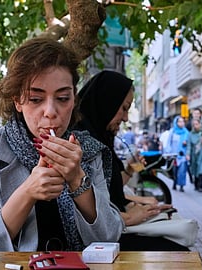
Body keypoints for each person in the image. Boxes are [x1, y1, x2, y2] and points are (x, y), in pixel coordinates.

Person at [0, 37, 123, 252]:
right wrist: (27, 192)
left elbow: (109, 237)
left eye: (63, 98)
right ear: (17, 101)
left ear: (74, 99)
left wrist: (76, 179)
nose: (50, 111)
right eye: (36, 99)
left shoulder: (87, 150)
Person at [73, 70, 189, 251]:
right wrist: (128, 215)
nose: (126, 117)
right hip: (100, 241)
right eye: (124, 108)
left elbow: (108, 189)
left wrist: (129, 172)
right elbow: (89, 209)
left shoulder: (101, 137)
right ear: (107, 102)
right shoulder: (81, 141)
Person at [163, 116, 189, 192]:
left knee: (182, 171)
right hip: (174, 155)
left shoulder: (186, 132)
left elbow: (189, 143)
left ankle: (181, 186)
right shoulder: (172, 131)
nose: (181, 123)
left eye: (183, 122)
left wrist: (186, 143)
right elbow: (169, 143)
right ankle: (174, 183)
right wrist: (168, 152)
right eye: (179, 122)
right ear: (176, 123)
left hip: (183, 154)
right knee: (174, 171)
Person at [186, 118, 202, 192]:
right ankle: (196, 184)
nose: (195, 126)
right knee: (195, 169)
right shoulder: (190, 134)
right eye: (194, 124)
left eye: (197, 124)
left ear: (200, 124)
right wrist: (188, 154)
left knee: (201, 169)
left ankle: (200, 186)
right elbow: (189, 145)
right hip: (194, 154)